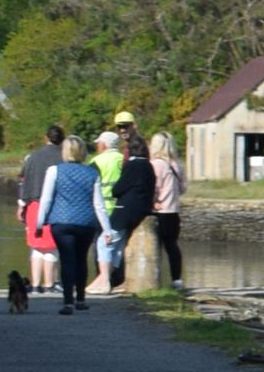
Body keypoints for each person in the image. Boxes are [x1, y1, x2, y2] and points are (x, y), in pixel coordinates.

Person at [39, 135, 102, 311]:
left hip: (61, 221)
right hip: (86, 222)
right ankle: (80, 299)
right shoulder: (92, 173)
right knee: (81, 259)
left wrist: (40, 223)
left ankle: (68, 301)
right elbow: (98, 204)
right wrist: (107, 228)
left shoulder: (54, 171)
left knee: (66, 259)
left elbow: (46, 199)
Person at [104, 128, 158, 292]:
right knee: (119, 244)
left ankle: (104, 278)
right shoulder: (148, 165)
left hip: (127, 209)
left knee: (106, 242)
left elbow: (118, 189)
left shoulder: (133, 165)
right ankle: (112, 278)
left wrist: (114, 191)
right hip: (144, 208)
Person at [17, 122, 62, 295]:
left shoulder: (33, 157)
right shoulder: (63, 157)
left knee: (36, 246)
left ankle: (35, 284)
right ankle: (49, 284)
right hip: (55, 205)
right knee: (51, 246)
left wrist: (21, 205)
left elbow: (24, 181)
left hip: (33, 204)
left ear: (46, 138)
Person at [145, 129, 187, 287]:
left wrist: (153, 201)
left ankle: (153, 280)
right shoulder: (177, 165)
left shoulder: (156, 165)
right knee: (172, 246)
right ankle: (177, 279)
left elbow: (153, 187)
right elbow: (183, 188)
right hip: (173, 211)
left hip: (159, 210)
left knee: (154, 247)